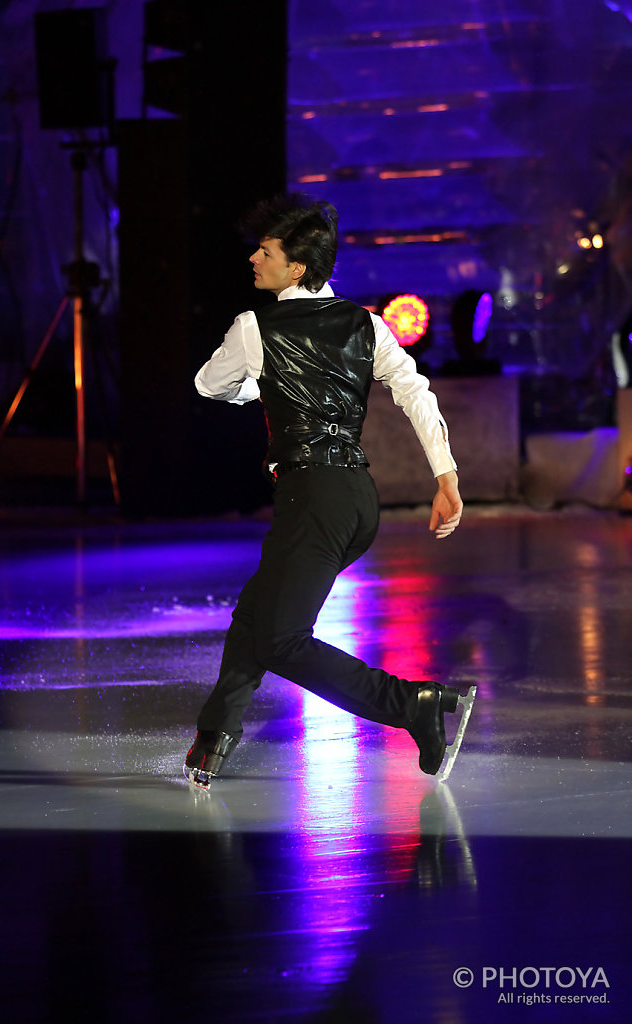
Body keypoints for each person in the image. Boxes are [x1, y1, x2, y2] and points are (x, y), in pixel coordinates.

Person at [184, 194, 475, 791]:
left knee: (284, 639)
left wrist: (255, 388)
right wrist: (445, 477)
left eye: (265, 252)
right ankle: (214, 737)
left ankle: (411, 703)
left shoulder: (254, 327)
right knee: (260, 614)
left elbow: (208, 385)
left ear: (295, 268)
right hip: (355, 500)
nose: (253, 258)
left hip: (312, 500)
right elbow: (416, 392)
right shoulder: (367, 324)